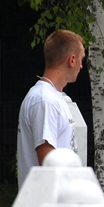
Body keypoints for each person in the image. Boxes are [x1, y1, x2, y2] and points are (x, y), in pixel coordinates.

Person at [17, 29, 84, 187]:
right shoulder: (45, 100)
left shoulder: (53, 97)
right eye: (82, 59)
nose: (82, 66)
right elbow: (48, 163)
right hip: (46, 206)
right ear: (72, 60)